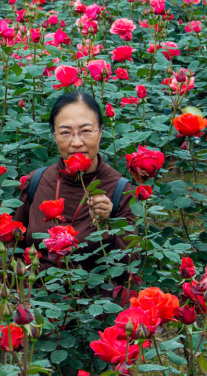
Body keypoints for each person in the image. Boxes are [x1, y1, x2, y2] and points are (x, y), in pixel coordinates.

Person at [14, 91, 136, 273]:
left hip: (94, 296)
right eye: (65, 133)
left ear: (100, 133)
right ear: (54, 136)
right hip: (38, 294)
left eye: (86, 131)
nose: (76, 142)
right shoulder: (37, 182)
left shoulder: (119, 189)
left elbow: (130, 263)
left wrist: (107, 225)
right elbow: (14, 248)